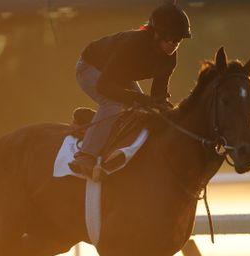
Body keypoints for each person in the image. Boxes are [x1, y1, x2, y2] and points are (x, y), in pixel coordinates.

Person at [68, 2, 191, 177]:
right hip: (90, 67)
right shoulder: (131, 45)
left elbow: (158, 95)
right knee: (112, 103)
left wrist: (167, 112)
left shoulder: (169, 59)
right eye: (170, 38)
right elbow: (104, 86)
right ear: (156, 34)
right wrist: (140, 99)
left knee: (145, 112)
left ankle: (112, 142)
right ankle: (85, 156)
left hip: (118, 75)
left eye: (179, 40)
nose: (174, 45)